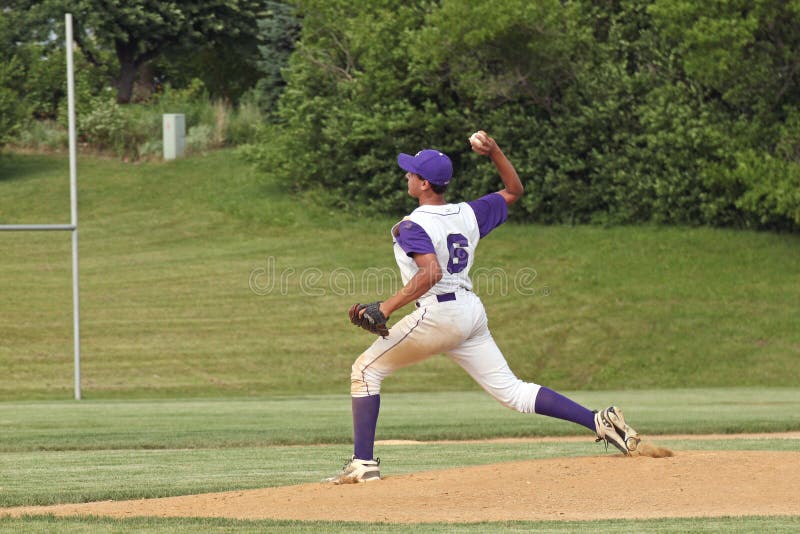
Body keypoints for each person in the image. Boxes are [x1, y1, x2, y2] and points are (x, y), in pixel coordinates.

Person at [327, 131, 640, 484]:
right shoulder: (468, 213)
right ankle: (598, 420)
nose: (407, 176)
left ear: (425, 183)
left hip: (439, 313)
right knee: (512, 391)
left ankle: (363, 464)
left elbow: (431, 272)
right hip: (469, 312)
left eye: (412, 173)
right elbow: (514, 191)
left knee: (365, 371)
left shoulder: (411, 226)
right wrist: (494, 151)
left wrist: (386, 307)